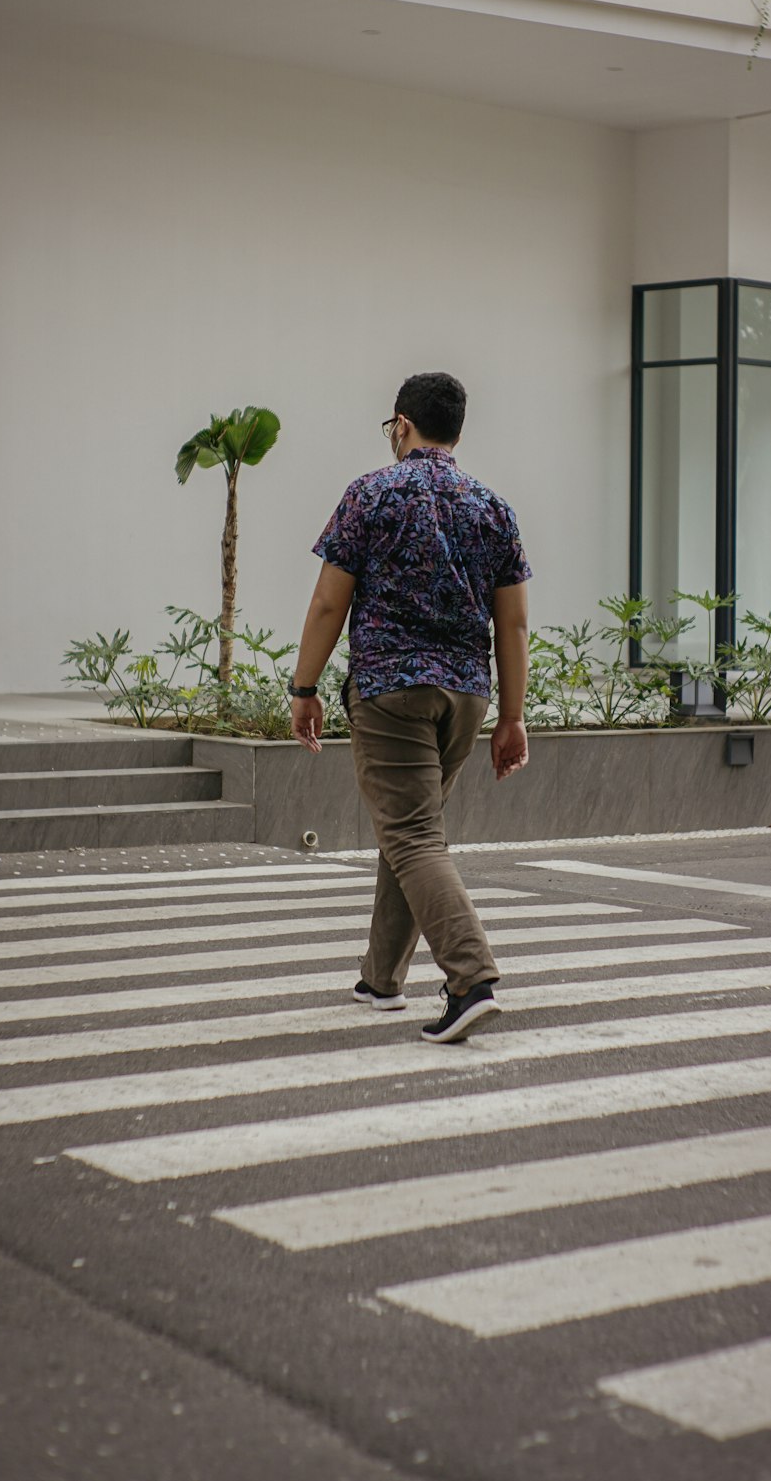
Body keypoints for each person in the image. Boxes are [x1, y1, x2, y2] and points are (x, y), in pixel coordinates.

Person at [289, 371, 531, 1043]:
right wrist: (512, 717)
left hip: (391, 690)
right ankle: (381, 978)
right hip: (466, 697)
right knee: (412, 829)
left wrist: (303, 688)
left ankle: (470, 977)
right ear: (455, 430)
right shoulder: (493, 507)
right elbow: (512, 625)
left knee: (414, 835)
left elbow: (329, 602)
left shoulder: (371, 493)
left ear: (402, 425)